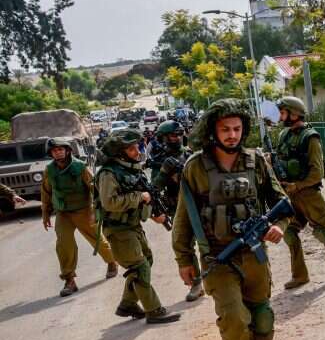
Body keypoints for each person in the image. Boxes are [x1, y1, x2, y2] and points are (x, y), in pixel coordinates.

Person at [173, 99, 288, 340]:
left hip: (254, 254)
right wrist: (184, 259)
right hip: (217, 257)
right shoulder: (195, 167)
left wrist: (279, 228)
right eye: (225, 129)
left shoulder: (256, 161)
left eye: (237, 129)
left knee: (262, 315)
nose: (232, 135)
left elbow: (281, 201)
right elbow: (184, 219)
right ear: (212, 130)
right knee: (235, 317)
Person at [95, 130, 180, 324]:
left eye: (136, 147)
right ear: (119, 153)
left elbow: (145, 195)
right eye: (131, 148)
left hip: (132, 225)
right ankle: (154, 310)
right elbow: (110, 202)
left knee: (146, 261)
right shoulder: (108, 173)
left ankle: (128, 304)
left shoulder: (131, 169)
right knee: (139, 267)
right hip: (118, 229)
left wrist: (153, 213)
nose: (136, 151)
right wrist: (139, 197)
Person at [274, 96, 325, 288]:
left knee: (322, 232)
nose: (280, 117)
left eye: (283, 113)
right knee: (289, 233)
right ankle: (300, 275)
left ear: (294, 113)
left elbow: (317, 173)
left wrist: (297, 185)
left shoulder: (310, 137)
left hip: (308, 196)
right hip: (291, 196)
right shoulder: (284, 136)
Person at [40, 137, 118, 296]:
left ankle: (111, 262)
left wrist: (98, 207)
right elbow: (46, 192)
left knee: (97, 239)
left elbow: (93, 187)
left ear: (67, 150)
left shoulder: (80, 167)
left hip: (83, 210)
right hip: (63, 213)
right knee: (63, 244)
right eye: (55, 151)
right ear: (51, 154)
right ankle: (69, 280)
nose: (58, 153)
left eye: (61, 149)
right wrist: (45, 213)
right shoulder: (49, 170)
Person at [148, 120, 203, 301]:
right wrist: (164, 172)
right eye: (173, 135)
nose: (177, 138)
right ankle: (197, 283)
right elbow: (153, 189)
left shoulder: (190, 155)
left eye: (179, 134)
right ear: (164, 138)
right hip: (178, 209)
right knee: (184, 246)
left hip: (200, 204)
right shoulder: (159, 162)